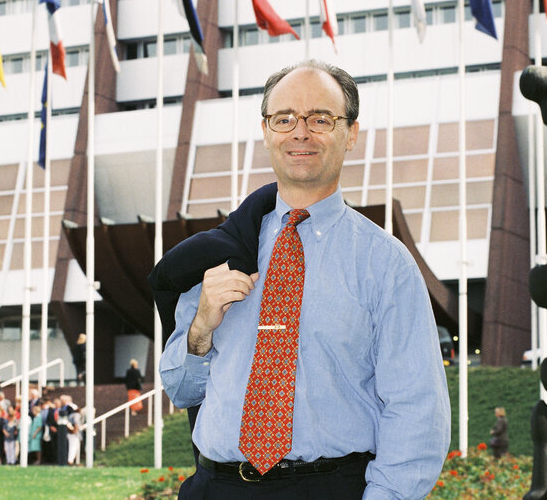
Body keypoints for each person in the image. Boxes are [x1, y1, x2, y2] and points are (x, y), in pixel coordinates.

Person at [159, 60, 450, 500]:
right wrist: (199, 330)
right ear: (266, 131)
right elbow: (180, 390)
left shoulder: (385, 264)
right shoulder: (220, 253)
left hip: (329, 487)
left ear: (350, 133)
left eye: (321, 119)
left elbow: (417, 412)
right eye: (285, 119)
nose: (301, 132)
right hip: (216, 487)